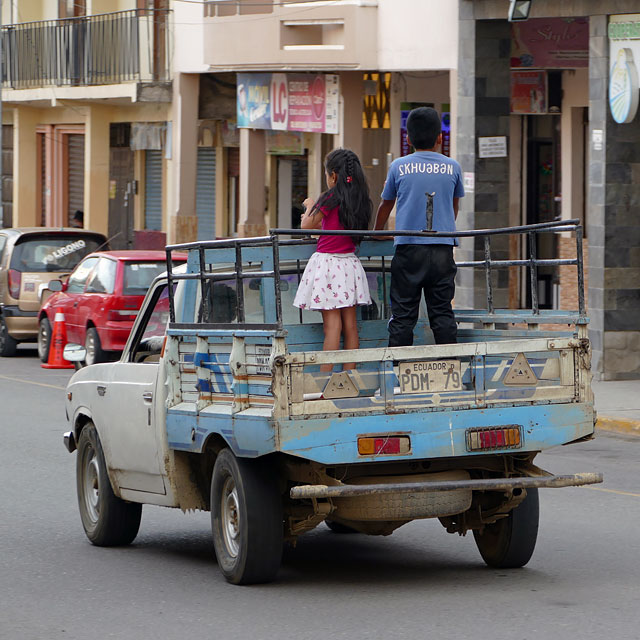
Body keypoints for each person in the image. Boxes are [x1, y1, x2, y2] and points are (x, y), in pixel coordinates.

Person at [374, 107, 464, 346]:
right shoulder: (453, 167)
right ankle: (449, 368)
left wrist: (377, 232)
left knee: (403, 315)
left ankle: (399, 375)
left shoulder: (398, 166)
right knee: (442, 313)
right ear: (439, 138)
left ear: (408, 138)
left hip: (408, 249)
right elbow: (453, 208)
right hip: (443, 250)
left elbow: (386, 205)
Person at [293, 148, 372, 371]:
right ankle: (349, 378)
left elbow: (306, 225)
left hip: (329, 266)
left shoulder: (330, 197)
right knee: (351, 327)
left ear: (333, 175)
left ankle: (324, 383)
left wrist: (309, 206)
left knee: (332, 327)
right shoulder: (359, 199)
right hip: (349, 264)